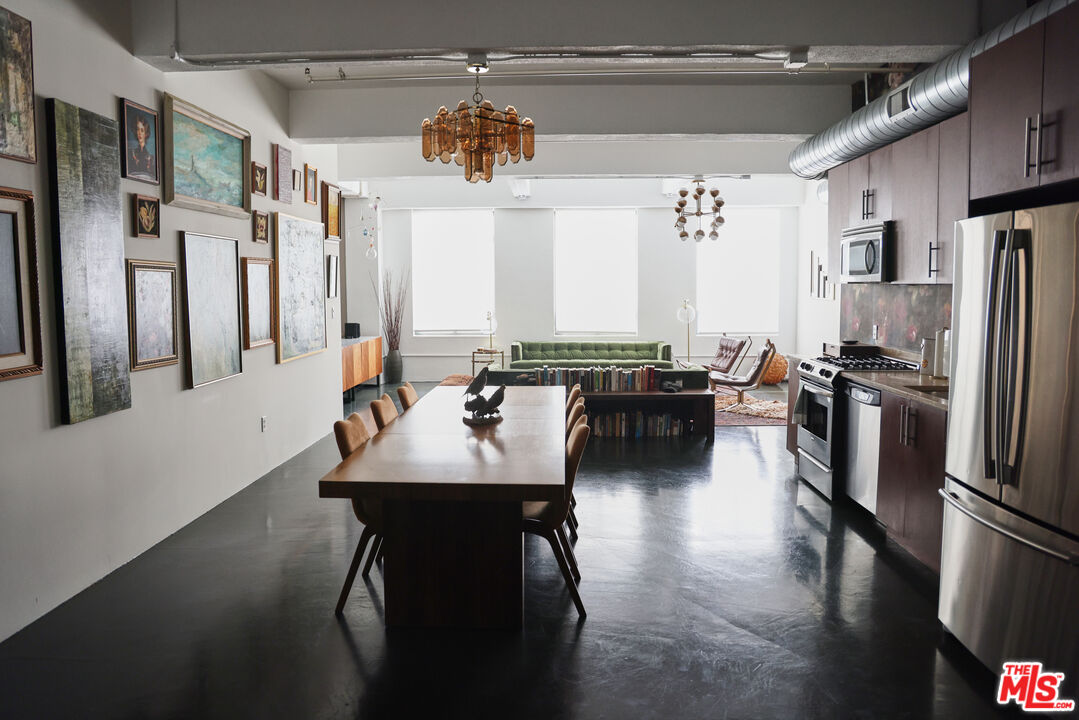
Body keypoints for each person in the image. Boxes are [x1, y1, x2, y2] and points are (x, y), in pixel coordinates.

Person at [128, 113, 155, 178]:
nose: (139, 133)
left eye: (142, 130)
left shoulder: (151, 158)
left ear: (146, 133)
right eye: (137, 129)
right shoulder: (130, 153)